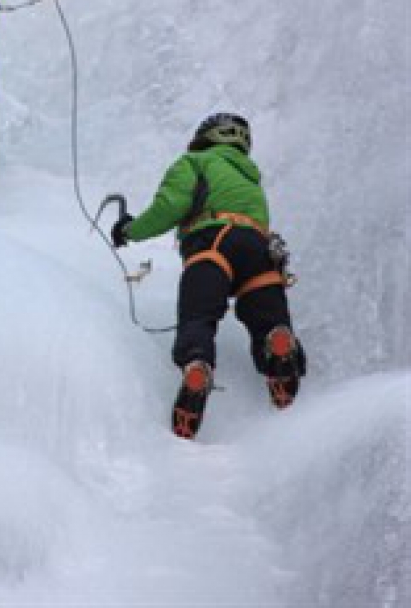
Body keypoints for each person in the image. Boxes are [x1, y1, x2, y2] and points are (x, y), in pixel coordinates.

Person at [111, 113, 306, 439]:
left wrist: (130, 229)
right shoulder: (250, 179)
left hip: (211, 244)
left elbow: (170, 205)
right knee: (265, 314)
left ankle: (197, 365)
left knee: (198, 317)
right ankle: (276, 342)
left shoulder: (195, 161)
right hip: (259, 249)